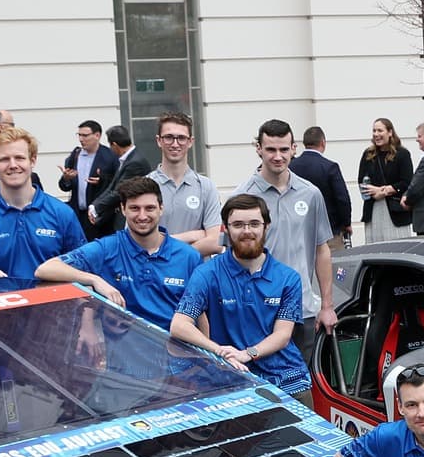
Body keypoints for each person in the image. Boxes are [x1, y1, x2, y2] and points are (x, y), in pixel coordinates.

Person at [171, 194, 313, 398]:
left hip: (287, 381)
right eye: (238, 224)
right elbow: (179, 325)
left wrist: (247, 354)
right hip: (230, 379)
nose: (247, 231)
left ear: (266, 226)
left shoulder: (288, 278)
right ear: (225, 229)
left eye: (254, 224)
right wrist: (220, 351)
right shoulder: (207, 274)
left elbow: (282, 335)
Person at [36, 175, 204, 327]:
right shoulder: (107, 248)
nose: (142, 215)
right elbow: (45, 269)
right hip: (122, 358)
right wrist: (94, 280)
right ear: (123, 209)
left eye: (150, 208)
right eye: (134, 208)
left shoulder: (188, 257)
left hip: (175, 356)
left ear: (161, 208)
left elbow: (200, 316)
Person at [236, 119, 338, 357]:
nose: (278, 156)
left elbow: (322, 250)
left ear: (294, 149)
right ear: (259, 149)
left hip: (302, 309)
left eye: (284, 149)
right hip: (257, 311)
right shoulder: (242, 196)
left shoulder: (311, 194)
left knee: (303, 387)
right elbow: (230, 257)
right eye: (271, 149)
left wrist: (326, 306)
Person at [0, 125, 86, 281]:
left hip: (54, 304)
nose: (13, 165)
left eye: (19, 158)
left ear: (32, 160)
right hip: (4, 303)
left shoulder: (62, 213)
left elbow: (83, 267)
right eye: (4, 159)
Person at [135, 111, 223, 255]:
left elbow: (215, 242)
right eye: (169, 137)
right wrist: (192, 236)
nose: (175, 144)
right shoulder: (143, 186)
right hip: (154, 274)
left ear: (190, 142)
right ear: (159, 140)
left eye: (181, 138)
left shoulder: (206, 187)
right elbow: (136, 240)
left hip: (196, 275)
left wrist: (165, 251)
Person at [292, 126, 354, 251]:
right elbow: (342, 199)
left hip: (298, 231)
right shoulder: (330, 167)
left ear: (304, 143)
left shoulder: (291, 167)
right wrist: (346, 223)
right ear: (323, 142)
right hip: (329, 231)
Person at [356, 119, 416, 244]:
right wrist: (373, 193)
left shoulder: (402, 154)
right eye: (374, 131)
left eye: (380, 130)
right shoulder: (368, 154)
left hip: (395, 212)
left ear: (390, 132)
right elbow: (361, 181)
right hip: (373, 209)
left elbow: (406, 182)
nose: (376, 134)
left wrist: (384, 191)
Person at [86, 125, 152, 237]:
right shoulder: (128, 159)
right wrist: (94, 205)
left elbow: (120, 191)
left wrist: (97, 207)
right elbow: (113, 186)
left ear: (115, 145)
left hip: (131, 217)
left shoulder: (135, 162)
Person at [58, 119, 119, 238]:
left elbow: (117, 185)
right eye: (79, 135)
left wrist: (102, 181)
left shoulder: (109, 156)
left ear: (97, 135)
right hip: (78, 214)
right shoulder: (75, 155)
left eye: (85, 135)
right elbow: (64, 187)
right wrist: (66, 178)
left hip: (100, 217)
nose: (81, 139)